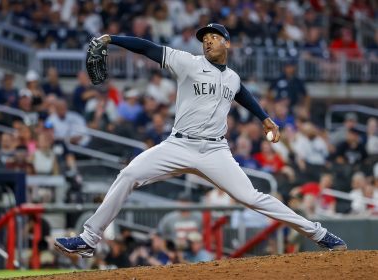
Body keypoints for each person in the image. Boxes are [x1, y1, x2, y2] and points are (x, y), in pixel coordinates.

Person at [55, 23, 347, 258]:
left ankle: (319, 234)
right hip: (178, 145)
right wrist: (112, 39)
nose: (207, 41)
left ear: (227, 43)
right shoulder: (188, 62)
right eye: (204, 38)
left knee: (252, 198)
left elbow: (241, 92)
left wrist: (264, 117)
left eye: (214, 37)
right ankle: (88, 239)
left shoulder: (232, 77)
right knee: (129, 174)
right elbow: (148, 48)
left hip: (215, 150)